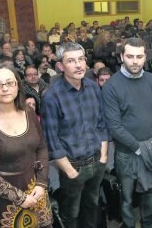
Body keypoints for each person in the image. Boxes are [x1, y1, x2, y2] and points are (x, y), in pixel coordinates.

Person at [0, 64, 52, 227]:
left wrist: (41, 183)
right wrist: (20, 198)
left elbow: (41, 147)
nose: (5, 89)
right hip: (3, 198)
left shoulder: (28, 112)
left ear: (17, 85)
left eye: (10, 83)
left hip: (35, 189)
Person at [41, 42, 108, 228]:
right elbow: (52, 142)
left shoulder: (93, 88)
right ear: (61, 66)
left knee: (92, 206)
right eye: (71, 61)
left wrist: (103, 157)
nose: (78, 65)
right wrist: (70, 171)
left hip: (96, 162)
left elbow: (102, 124)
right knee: (71, 213)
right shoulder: (51, 97)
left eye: (81, 59)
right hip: (73, 167)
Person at [102, 38, 152, 228]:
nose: (135, 61)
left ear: (145, 57)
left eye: (139, 56)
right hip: (127, 154)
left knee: (150, 192)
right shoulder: (111, 86)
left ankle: (148, 224)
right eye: (130, 56)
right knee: (127, 198)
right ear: (122, 56)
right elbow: (114, 126)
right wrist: (140, 148)